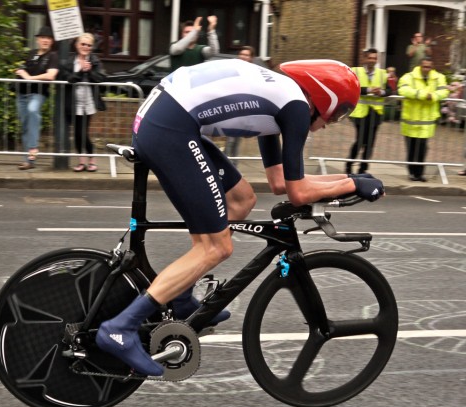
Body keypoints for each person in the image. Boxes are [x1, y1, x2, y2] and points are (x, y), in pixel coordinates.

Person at [95, 59, 385, 376]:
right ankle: (120, 327)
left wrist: (349, 177)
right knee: (216, 248)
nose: (334, 122)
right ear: (325, 97)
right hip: (170, 129)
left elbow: (279, 183)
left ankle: (180, 295)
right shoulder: (296, 108)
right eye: (341, 112)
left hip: (167, 120)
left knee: (241, 199)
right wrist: (353, 183)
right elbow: (298, 194)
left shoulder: (281, 99)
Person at [58, 33, 107, 172]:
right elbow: (68, 79)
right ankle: (82, 161)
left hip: (88, 102)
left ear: (92, 47)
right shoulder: (69, 61)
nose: (85, 47)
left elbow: (101, 78)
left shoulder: (95, 60)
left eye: (89, 45)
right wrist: (80, 71)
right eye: (83, 44)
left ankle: (91, 158)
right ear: (77, 45)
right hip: (73, 102)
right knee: (77, 133)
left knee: (82, 132)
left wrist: (90, 70)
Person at [398, 57, 449, 182]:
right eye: (425, 66)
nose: (427, 69)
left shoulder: (438, 77)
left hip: (426, 122)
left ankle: (419, 174)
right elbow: (402, 89)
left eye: (429, 67)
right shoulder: (408, 77)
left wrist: (433, 96)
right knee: (411, 149)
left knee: (422, 148)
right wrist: (421, 94)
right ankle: (412, 173)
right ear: (420, 66)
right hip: (411, 120)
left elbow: (444, 91)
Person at [15, 26, 59, 170]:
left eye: (48, 38)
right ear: (38, 40)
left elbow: (51, 75)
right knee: (26, 126)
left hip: (38, 93)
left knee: (33, 110)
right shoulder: (31, 53)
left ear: (51, 41)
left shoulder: (53, 56)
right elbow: (20, 69)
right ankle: (28, 161)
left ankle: (32, 149)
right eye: (42, 38)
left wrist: (29, 77)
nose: (45, 40)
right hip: (22, 94)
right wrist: (21, 72)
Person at [346, 48, 388, 175]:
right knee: (360, 141)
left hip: (375, 113)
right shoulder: (355, 71)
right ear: (364, 58)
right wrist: (369, 90)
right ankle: (349, 165)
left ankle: (363, 169)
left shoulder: (382, 74)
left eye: (374, 58)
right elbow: (351, 87)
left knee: (370, 143)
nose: (372, 61)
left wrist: (381, 92)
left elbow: (391, 90)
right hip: (360, 113)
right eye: (370, 58)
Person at [224, 46, 257, 166]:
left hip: (243, 109)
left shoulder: (253, 72)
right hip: (231, 107)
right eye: (241, 54)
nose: (243, 57)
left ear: (251, 58)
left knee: (235, 140)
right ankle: (229, 166)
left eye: (246, 55)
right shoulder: (233, 70)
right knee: (230, 140)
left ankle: (233, 167)